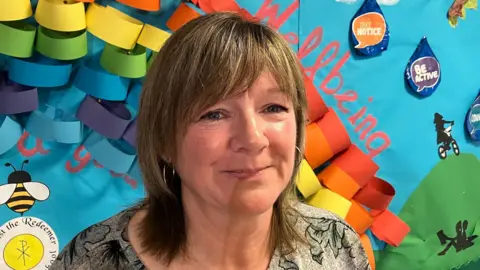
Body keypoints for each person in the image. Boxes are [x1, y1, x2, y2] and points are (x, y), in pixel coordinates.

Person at [51, 12, 371, 270]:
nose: (252, 138)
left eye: (273, 108)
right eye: (214, 114)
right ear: (164, 139)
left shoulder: (335, 244)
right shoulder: (90, 261)